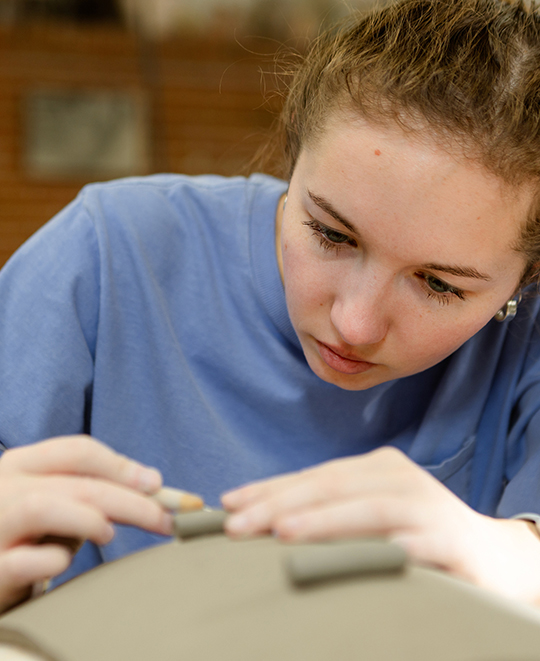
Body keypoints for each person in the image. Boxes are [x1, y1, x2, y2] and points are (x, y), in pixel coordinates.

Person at [1, 0, 540, 614]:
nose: (354, 324)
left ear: (526, 281)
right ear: (292, 158)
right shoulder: (111, 252)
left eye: (440, 285)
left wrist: (513, 557)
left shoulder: (528, 341)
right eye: (332, 235)